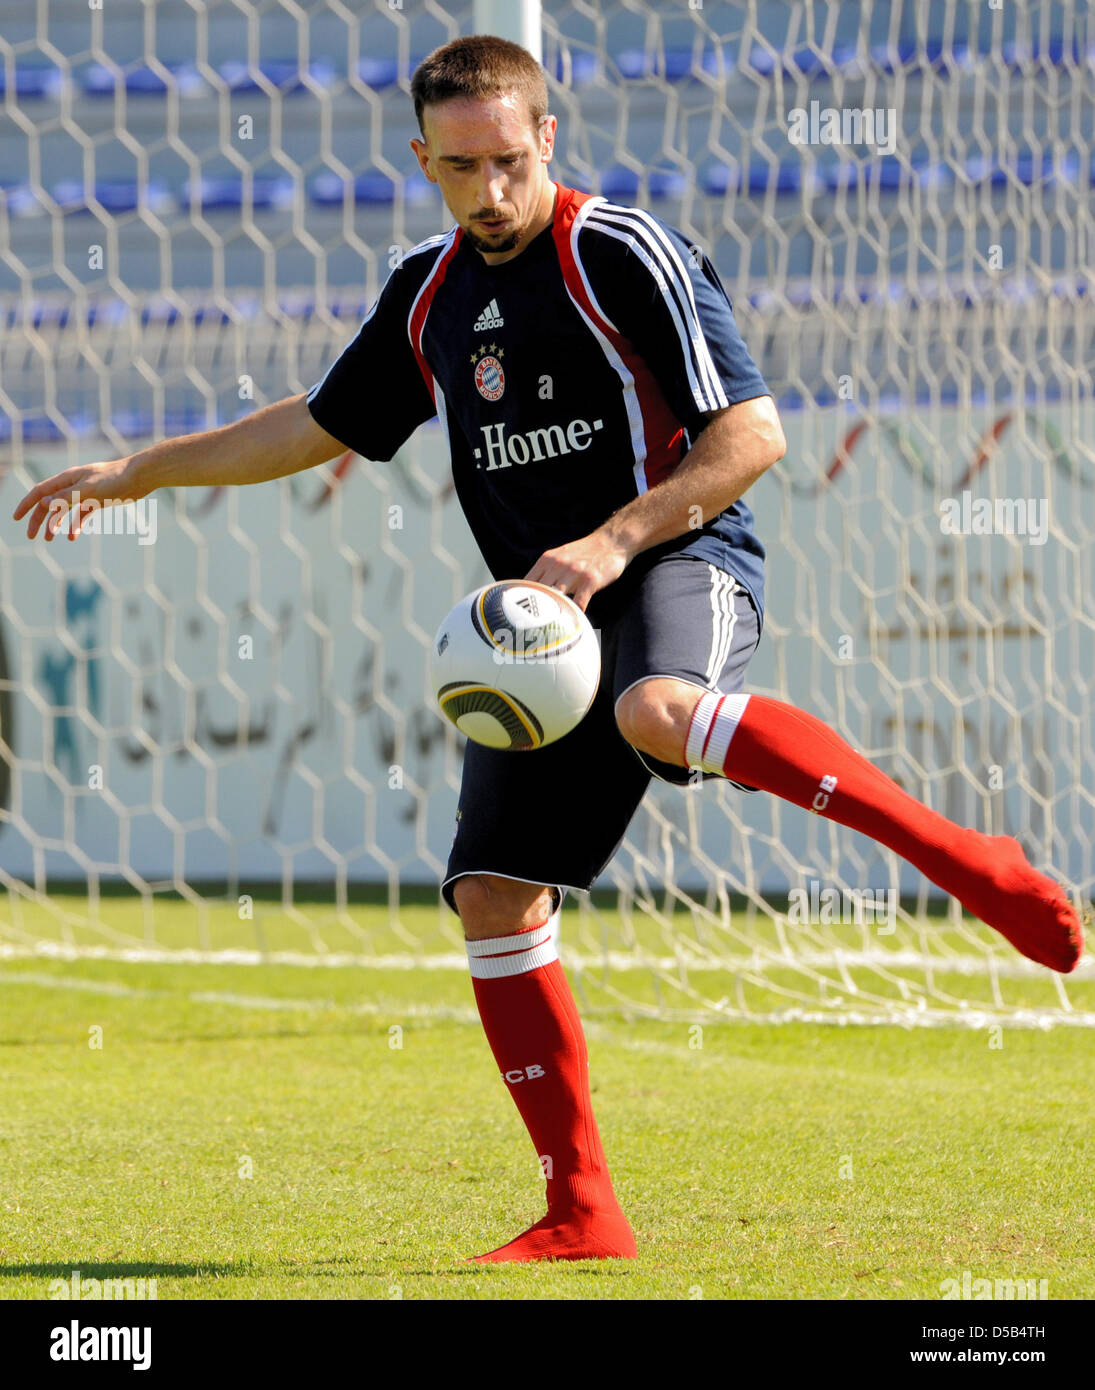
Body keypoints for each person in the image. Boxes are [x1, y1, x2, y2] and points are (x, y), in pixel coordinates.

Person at [14, 35, 1083, 1266]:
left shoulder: (620, 252)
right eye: (461, 168)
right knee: (493, 895)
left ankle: (975, 866)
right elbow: (321, 422)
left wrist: (611, 540)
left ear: (549, 141)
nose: (490, 192)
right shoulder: (427, 293)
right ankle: (582, 1208)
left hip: (679, 550)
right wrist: (138, 471)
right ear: (424, 160)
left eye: (510, 162)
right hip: (544, 620)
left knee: (662, 708)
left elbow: (753, 437)